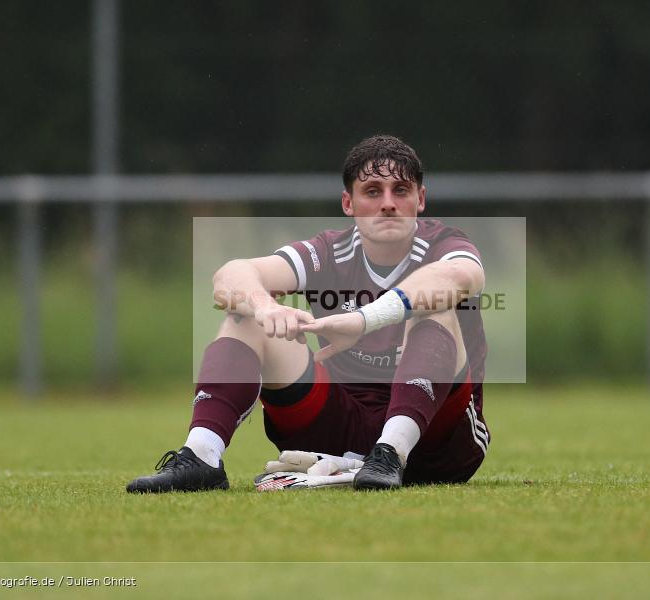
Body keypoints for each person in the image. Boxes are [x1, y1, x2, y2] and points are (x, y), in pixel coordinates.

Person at [126, 134, 490, 492]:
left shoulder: (445, 243)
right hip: (342, 424)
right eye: (373, 191)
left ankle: (391, 451)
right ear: (348, 203)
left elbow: (460, 276)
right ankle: (201, 457)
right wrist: (265, 306)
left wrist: (363, 320)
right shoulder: (329, 250)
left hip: (437, 443)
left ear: (420, 199)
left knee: (435, 307)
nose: (388, 203)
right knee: (245, 316)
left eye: (401, 190)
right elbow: (231, 275)